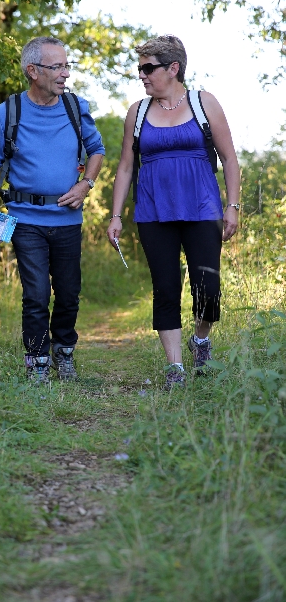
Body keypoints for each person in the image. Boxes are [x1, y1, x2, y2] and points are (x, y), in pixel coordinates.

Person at [107, 35, 240, 390]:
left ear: (173, 68)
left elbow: (229, 158)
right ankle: (176, 369)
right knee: (165, 288)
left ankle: (201, 341)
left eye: (149, 68)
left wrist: (232, 206)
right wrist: (116, 215)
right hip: (153, 212)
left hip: (202, 208)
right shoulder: (137, 112)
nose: (143, 76)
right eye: (140, 69)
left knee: (207, 288)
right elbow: (124, 167)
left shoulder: (203, 103)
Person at [0, 36, 105, 384]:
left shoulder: (76, 108)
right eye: (57, 67)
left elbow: (97, 150)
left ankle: (63, 352)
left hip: (67, 220)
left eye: (67, 66)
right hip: (25, 219)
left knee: (68, 293)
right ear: (33, 71)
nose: (65, 74)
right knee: (34, 293)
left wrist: (86, 184)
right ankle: (36, 361)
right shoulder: (9, 112)